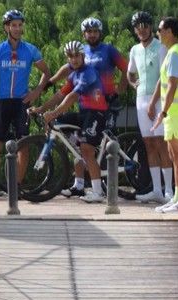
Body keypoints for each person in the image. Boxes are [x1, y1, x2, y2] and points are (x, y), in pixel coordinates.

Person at [48, 17, 131, 198]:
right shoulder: (81, 51)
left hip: (107, 102)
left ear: (100, 33)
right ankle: (79, 184)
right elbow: (68, 68)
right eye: (88, 31)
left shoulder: (108, 49)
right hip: (86, 103)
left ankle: (102, 183)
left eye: (95, 31)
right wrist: (51, 81)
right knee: (79, 142)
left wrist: (121, 89)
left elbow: (127, 68)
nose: (92, 34)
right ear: (84, 34)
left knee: (96, 143)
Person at [0, 10, 49, 202]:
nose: (18, 29)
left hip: (21, 103)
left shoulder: (30, 50)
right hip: (2, 103)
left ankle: (17, 187)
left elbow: (46, 72)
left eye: (20, 25)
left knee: (23, 147)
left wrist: (36, 92)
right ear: (6, 27)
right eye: (14, 25)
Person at [31, 41, 111, 203]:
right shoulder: (73, 74)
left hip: (97, 113)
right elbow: (59, 96)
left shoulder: (88, 72)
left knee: (86, 149)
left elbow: (72, 97)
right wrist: (40, 109)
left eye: (76, 56)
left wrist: (53, 113)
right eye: (70, 56)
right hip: (84, 113)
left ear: (82, 56)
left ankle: (97, 192)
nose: (73, 59)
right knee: (71, 140)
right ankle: (79, 185)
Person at [149, 17, 178, 213]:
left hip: (177, 112)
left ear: (169, 31)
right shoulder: (176, 52)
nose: (158, 34)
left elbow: (173, 85)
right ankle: (177, 196)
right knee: (173, 155)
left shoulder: (176, 54)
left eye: (160, 30)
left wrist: (163, 111)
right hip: (175, 113)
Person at [127, 11, 172, 203]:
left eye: (145, 26)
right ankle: (156, 190)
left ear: (150, 27)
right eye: (138, 27)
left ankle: (168, 190)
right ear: (135, 30)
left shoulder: (160, 47)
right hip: (141, 100)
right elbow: (130, 73)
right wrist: (133, 84)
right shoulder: (134, 50)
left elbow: (164, 76)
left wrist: (154, 102)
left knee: (161, 142)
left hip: (158, 100)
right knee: (149, 144)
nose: (142, 30)